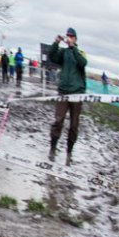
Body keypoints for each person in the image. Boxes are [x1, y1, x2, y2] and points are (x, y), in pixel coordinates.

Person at [47, 28, 87, 165]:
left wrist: (73, 48)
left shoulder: (80, 52)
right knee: (58, 120)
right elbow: (52, 57)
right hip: (63, 92)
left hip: (77, 93)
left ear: (75, 39)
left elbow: (83, 63)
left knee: (74, 125)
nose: (69, 38)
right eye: (67, 36)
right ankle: (52, 149)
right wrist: (56, 43)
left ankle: (69, 153)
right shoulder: (63, 53)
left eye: (71, 36)